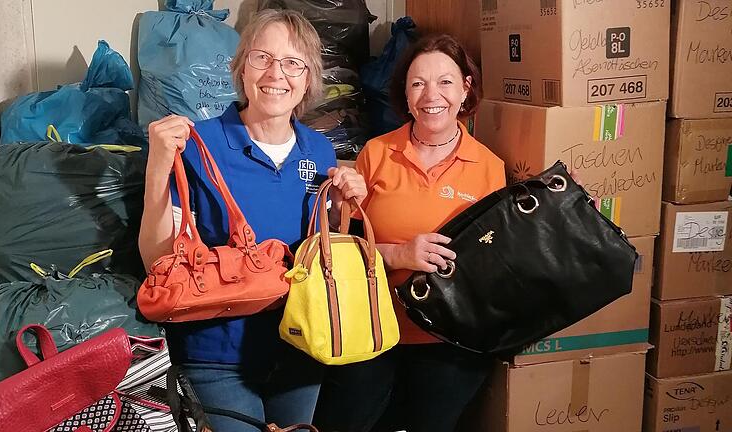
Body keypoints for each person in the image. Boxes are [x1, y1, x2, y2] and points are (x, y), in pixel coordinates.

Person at [138, 9, 367, 432]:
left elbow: (325, 250)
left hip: (300, 344)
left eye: (293, 63)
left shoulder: (318, 150)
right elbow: (156, 256)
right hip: (216, 352)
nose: (276, 73)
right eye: (262, 57)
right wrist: (157, 167)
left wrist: (344, 207)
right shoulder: (199, 143)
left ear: (308, 78)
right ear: (241, 67)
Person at [314, 34, 506, 432]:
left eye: (445, 81)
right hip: (373, 329)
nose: (430, 94)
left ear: (466, 87)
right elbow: (342, 250)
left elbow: (495, 258)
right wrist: (398, 254)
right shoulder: (377, 153)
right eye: (417, 83)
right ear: (404, 91)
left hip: (449, 342)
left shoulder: (489, 167)